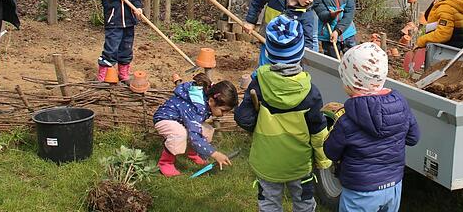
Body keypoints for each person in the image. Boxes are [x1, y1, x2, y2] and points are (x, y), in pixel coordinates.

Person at [234, 14, 331, 212]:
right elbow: (318, 130)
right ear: (301, 52)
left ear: (268, 52)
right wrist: (323, 159)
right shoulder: (310, 92)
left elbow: (242, 117)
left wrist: (257, 123)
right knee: (303, 203)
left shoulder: (258, 84)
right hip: (299, 163)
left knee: (269, 204)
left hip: (267, 162)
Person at [324, 43, 420, 212]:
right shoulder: (401, 107)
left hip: (359, 191)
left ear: (352, 84)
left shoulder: (347, 120)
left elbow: (330, 152)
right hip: (393, 186)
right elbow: (413, 138)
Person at [153, 73, 238, 177]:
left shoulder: (204, 99)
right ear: (211, 101)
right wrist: (215, 154)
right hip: (164, 118)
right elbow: (195, 137)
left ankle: (192, 153)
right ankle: (165, 162)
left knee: (207, 130)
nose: (223, 115)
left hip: (180, 120)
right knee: (179, 134)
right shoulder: (198, 107)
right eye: (223, 111)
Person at [244, 0, 324, 64]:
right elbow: (258, 0)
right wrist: (250, 21)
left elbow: (307, 39)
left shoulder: (306, 14)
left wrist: (303, 57)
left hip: (288, 54)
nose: (311, 0)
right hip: (268, 42)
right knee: (263, 72)